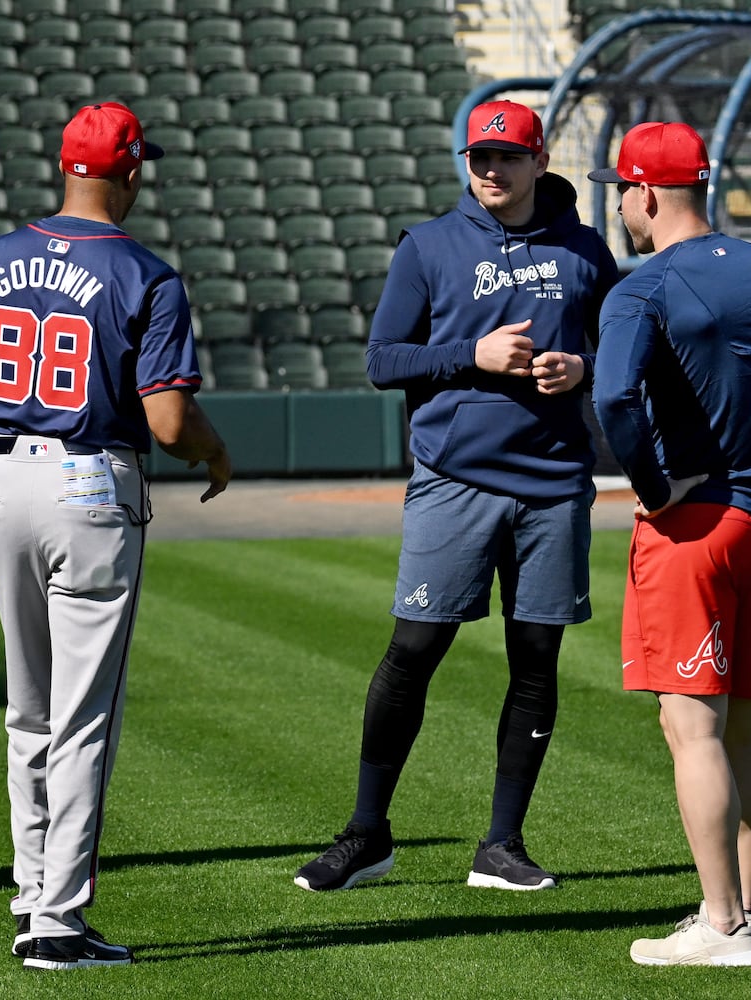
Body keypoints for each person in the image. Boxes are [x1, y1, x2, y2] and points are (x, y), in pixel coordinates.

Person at [293, 99, 620, 893]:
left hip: (553, 486)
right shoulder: (430, 246)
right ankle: (367, 833)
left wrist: (581, 367)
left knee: (535, 659)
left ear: (542, 162)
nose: (492, 170)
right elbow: (383, 360)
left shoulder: (584, 251)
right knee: (414, 650)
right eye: (480, 157)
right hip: (456, 478)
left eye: (508, 157)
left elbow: (619, 352)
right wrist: (470, 356)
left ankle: (502, 845)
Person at [0, 102, 231, 971]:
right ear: (132, 172)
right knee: (82, 717)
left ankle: (33, 899)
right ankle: (58, 923)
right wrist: (214, 448)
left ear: (67, 167)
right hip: (89, 483)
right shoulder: (147, 273)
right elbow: (169, 421)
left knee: (27, 710)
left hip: (1, 480)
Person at [589, 122, 751, 965]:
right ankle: (748, 915)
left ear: (645, 194)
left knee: (693, 730)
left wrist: (657, 493)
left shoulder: (642, 287)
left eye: (622, 189)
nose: (622, 204)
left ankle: (722, 924)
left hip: (692, 528)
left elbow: (614, 403)